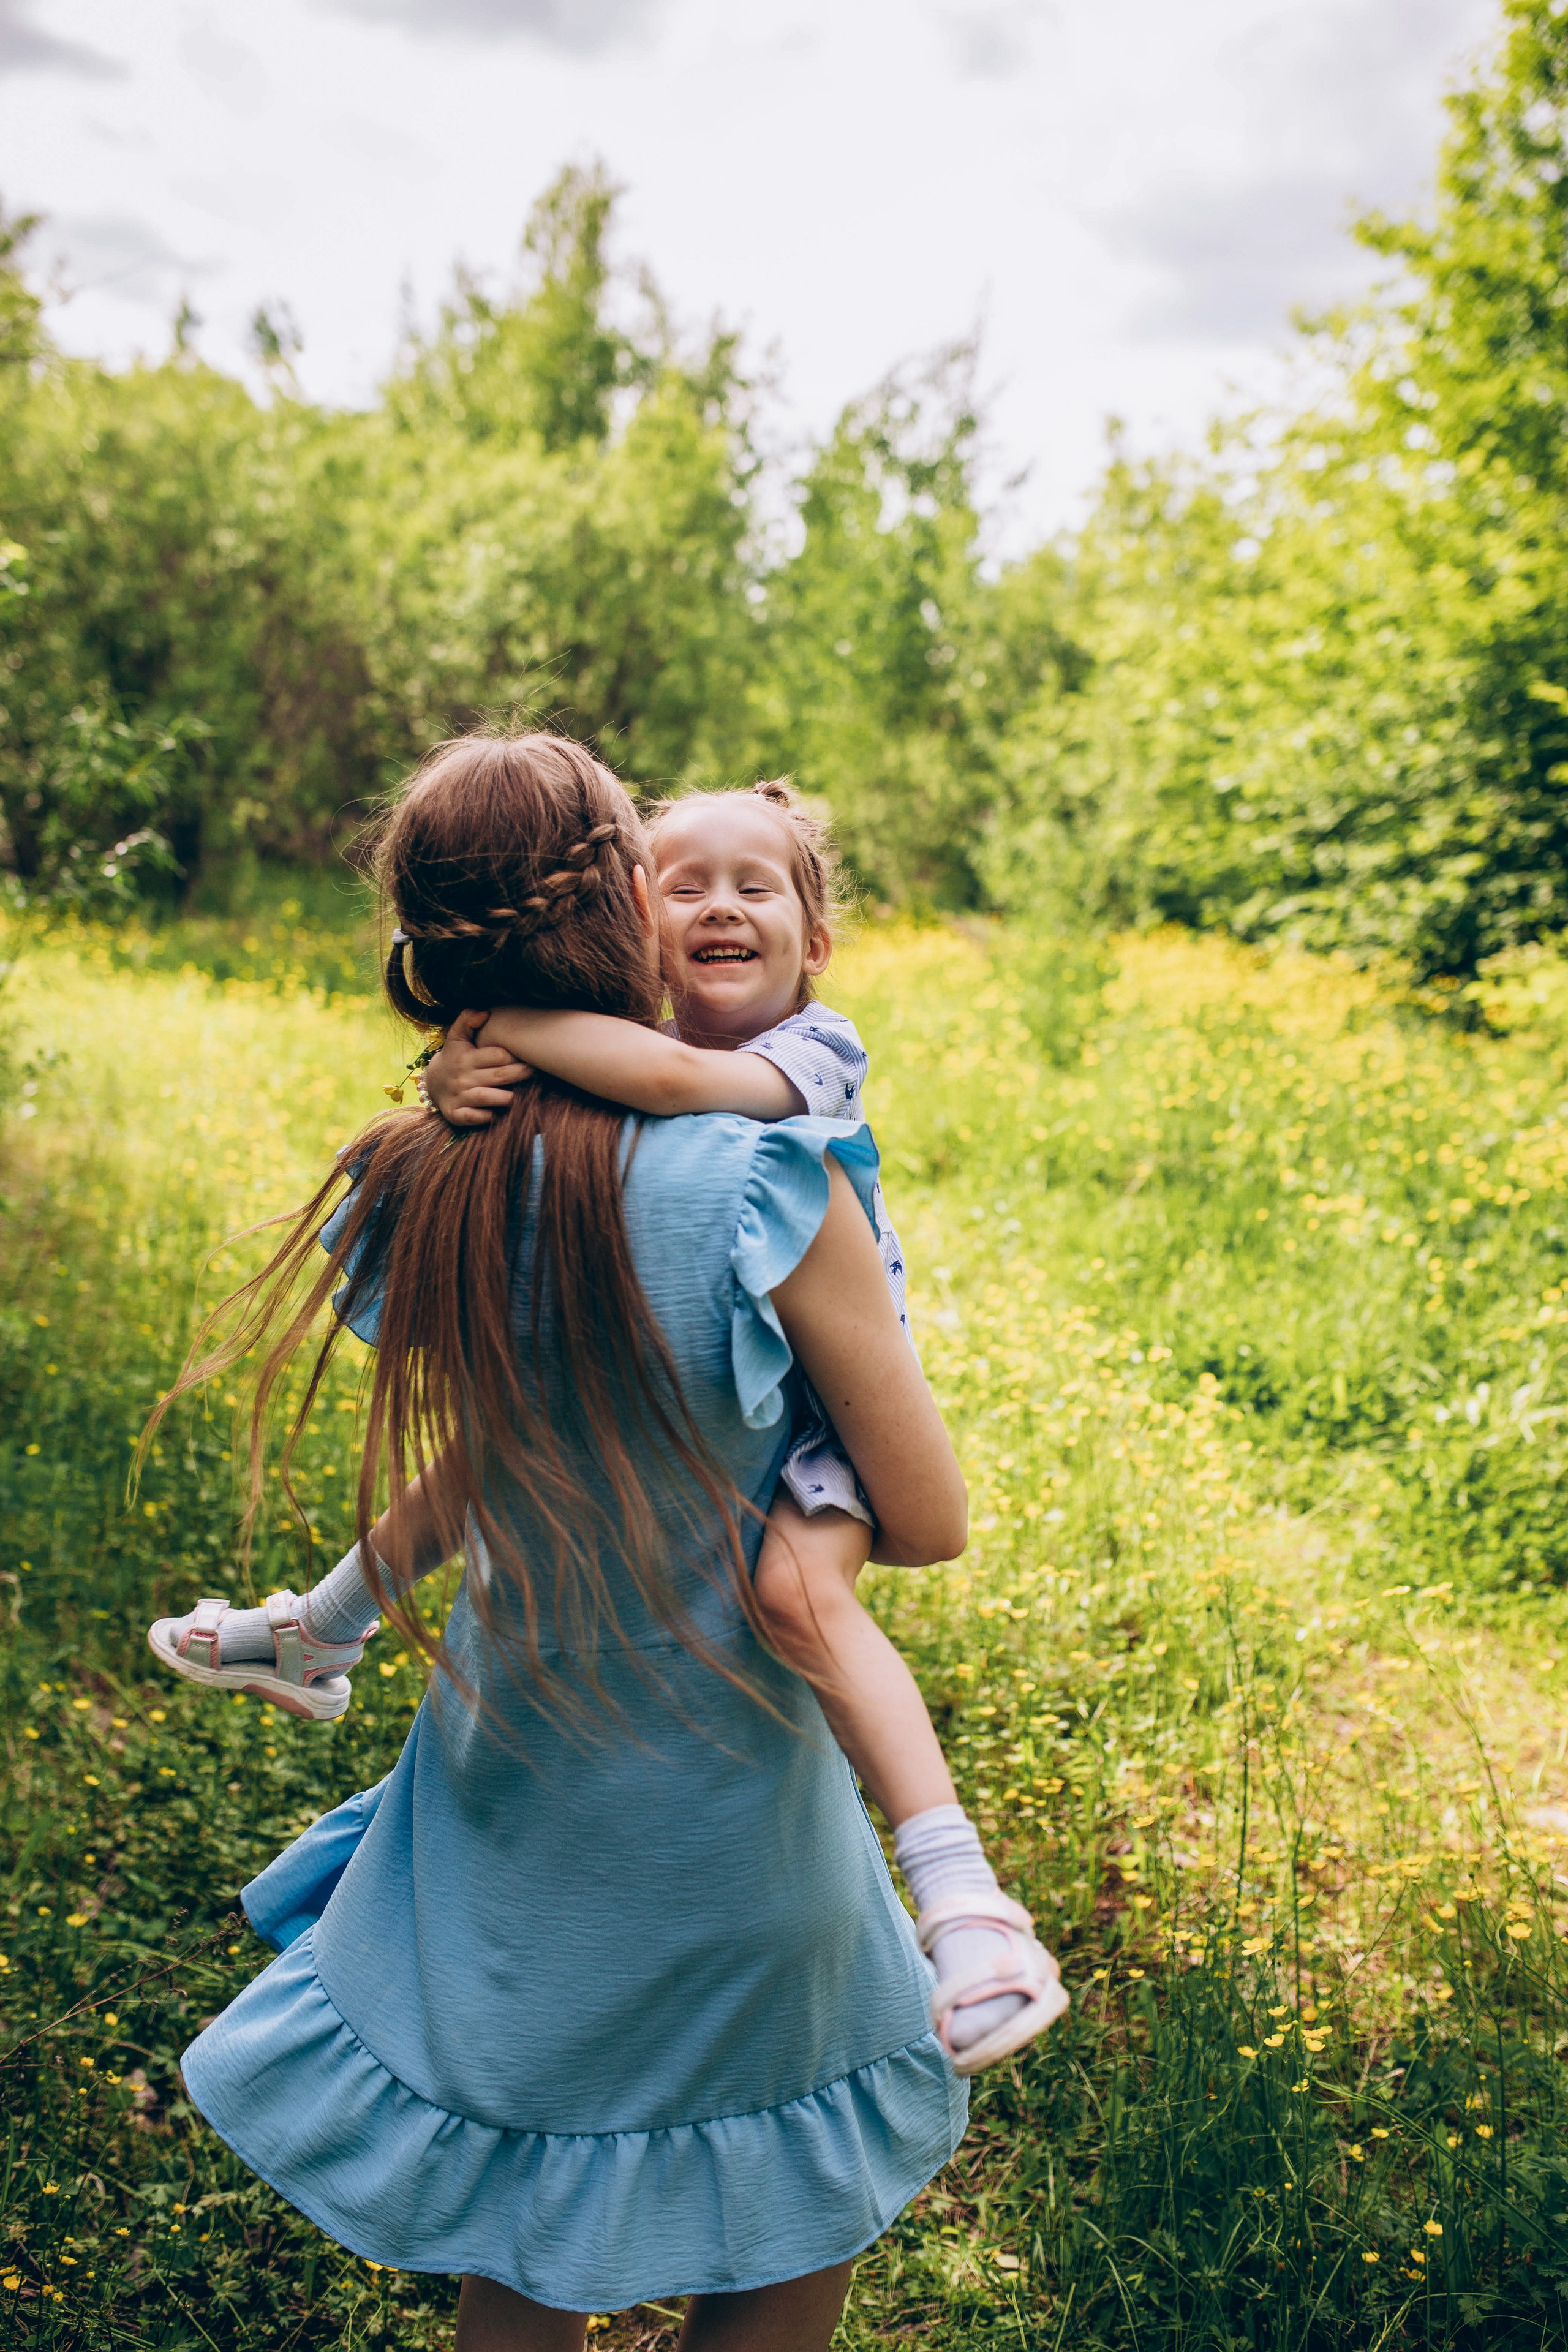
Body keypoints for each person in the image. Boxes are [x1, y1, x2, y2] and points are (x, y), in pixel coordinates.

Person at [142, 729, 1066, 2347]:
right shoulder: (768, 1180)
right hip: (729, 1815)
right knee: (783, 2209)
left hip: (510, 1793)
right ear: (615, 910)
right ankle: (965, 1897)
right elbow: (925, 1519)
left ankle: (320, 1627)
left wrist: (459, 1065)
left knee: (523, 2220)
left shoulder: (418, 1173)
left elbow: (507, 1439)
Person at [412, 777, 1067, 2070]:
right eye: (680, 883)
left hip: (829, 1418)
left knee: (798, 1599)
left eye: (754, 884)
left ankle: (966, 1906)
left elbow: (664, 1079)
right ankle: (319, 1624)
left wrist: (494, 1030)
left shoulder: (805, 1056)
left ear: (814, 944)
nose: (718, 905)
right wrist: (456, 1073)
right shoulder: (612, 1073)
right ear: (628, 925)